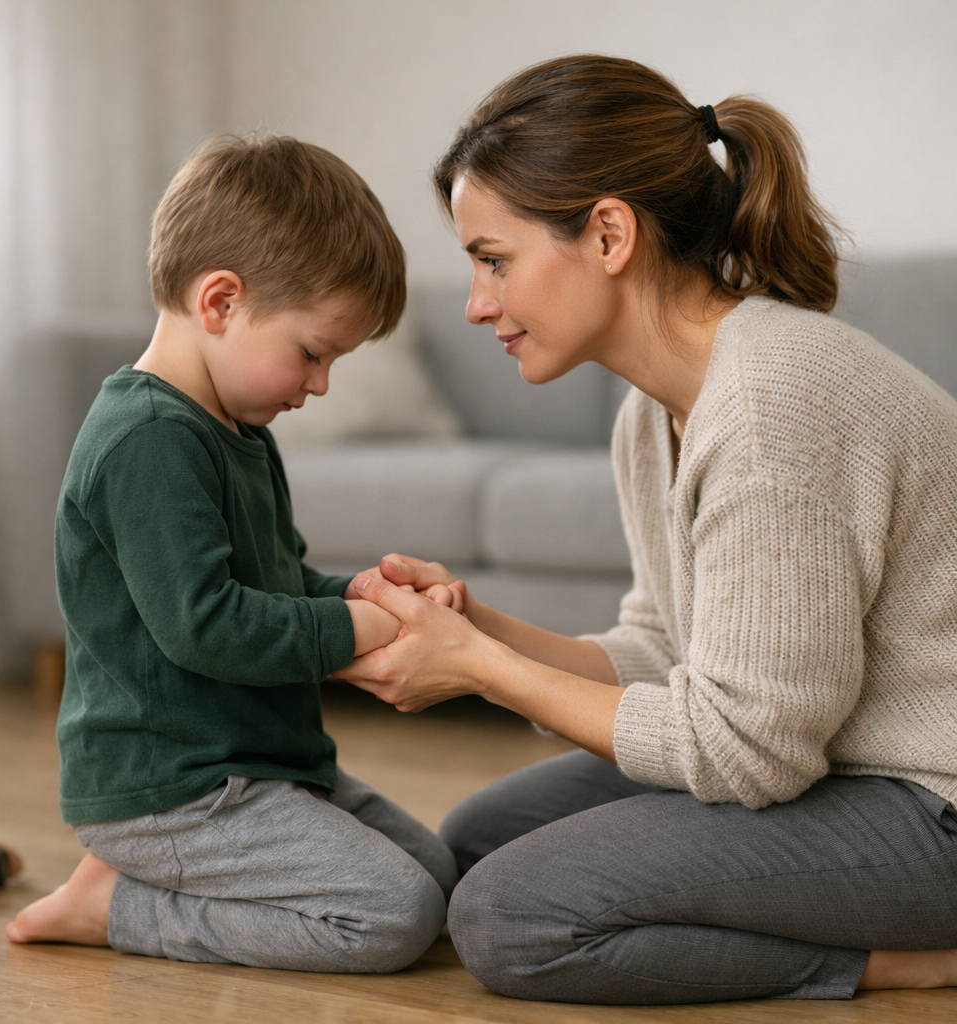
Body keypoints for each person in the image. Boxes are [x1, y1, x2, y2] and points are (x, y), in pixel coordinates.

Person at [336, 56, 957, 1004]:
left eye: (494, 260)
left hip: (930, 800)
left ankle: (907, 965)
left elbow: (749, 750)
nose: (476, 303)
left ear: (609, 234)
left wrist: (485, 672)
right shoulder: (653, 413)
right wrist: (478, 631)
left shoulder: (769, 406)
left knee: (511, 916)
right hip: (833, 768)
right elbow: (669, 650)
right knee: (475, 844)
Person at [5, 134, 459, 972]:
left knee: (439, 881)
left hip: (260, 765)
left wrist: (376, 601)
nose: (319, 385)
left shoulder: (241, 433)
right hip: (176, 787)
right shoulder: (147, 440)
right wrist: (354, 630)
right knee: (393, 917)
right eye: (313, 353)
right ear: (220, 302)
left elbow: (276, 585)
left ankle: (142, 885)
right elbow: (207, 626)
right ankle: (117, 906)